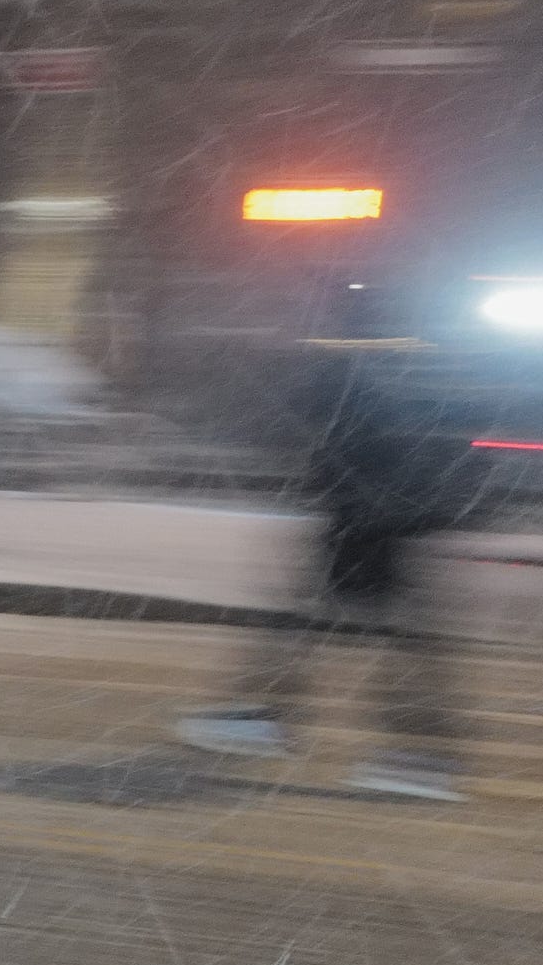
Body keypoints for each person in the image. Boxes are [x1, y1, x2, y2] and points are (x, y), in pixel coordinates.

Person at [178, 281, 481, 801]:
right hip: (383, 514)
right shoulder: (409, 363)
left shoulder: (354, 368)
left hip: (367, 515)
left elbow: (333, 433)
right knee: (370, 628)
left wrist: (348, 489)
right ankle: (412, 753)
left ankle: (414, 756)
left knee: (347, 627)